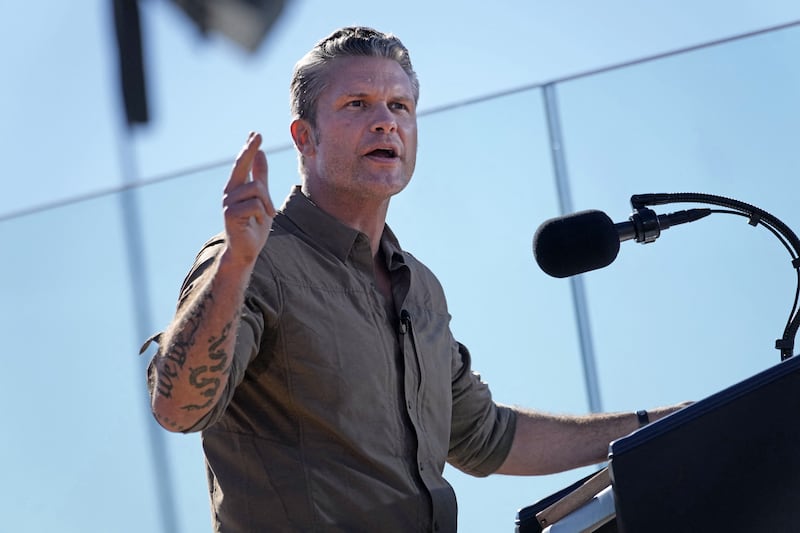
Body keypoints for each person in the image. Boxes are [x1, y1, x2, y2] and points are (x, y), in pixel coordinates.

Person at [144, 26, 687, 532]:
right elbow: (179, 408)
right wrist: (236, 263)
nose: (386, 122)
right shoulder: (254, 261)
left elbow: (485, 436)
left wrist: (654, 427)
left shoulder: (420, 288)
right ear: (304, 137)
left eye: (400, 106)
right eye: (357, 104)